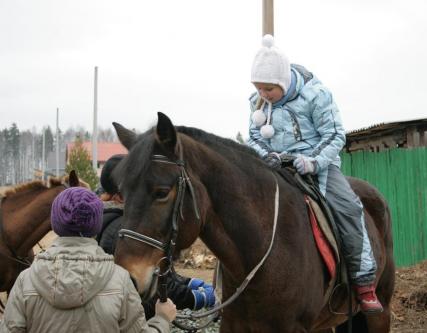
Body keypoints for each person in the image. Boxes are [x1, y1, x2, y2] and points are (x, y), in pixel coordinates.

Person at [247, 34, 383, 313]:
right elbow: (252, 136)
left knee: (347, 207)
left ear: (283, 82)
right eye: (259, 89)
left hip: (317, 165)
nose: (263, 95)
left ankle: (363, 282)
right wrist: (267, 156)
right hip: (274, 166)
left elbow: (334, 135)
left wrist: (312, 162)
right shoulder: (257, 101)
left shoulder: (317, 95)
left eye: (269, 89)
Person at [0, 187, 176, 332]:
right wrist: (162, 320)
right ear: (96, 224)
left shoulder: (26, 281)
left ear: (55, 222)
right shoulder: (120, 281)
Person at [97, 154, 216, 316]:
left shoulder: (113, 221)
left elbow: (159, 271)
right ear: (118, 197)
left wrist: (187, 282)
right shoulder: (122, 232)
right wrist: (196, 298)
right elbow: (158, 288)